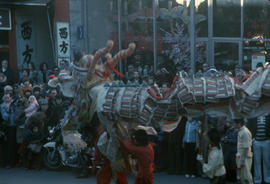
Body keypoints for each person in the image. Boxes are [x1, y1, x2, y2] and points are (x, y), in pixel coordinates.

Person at [247, 114, 270, 184]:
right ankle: (257, 179)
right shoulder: (254, 116)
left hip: (266, 141)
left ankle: (267, 179)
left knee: (267, 161)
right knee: (257, 161)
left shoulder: (268, 116)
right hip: (256, 141)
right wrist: (253, 139)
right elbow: (249, 126)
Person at [234, 118, 253, 184]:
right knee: (243, 178)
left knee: (247, 177)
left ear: (238, 123)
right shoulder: (240, 131)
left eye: (234, 123)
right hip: (241, 157)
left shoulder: (245, 132)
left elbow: (246, 147)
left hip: (244, 158)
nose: (233, 125)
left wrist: (242, 160)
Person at [0, 93, 17, 168]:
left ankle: (12, 162)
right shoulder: (2, 106)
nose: (7, 99)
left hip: (13, 126)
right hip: (6, 127)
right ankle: (6, 162)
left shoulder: (14, 104)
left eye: (8, 97)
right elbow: (5, 117)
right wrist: (7, 110)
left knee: (12, 144)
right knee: (5, 145)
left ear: (11, 98)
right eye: (5, 97)